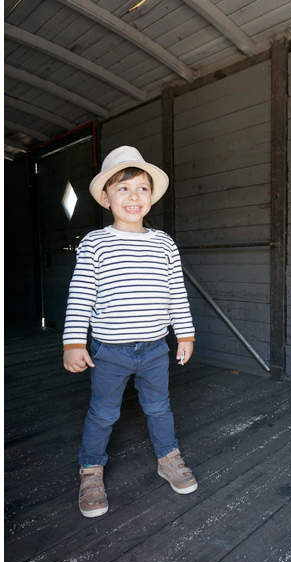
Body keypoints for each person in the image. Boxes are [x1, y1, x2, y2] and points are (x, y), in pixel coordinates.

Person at [62, 145, 197, 519]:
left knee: (158, 407)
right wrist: (73, 342)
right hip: (109, 351)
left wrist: (185, 335)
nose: (133, 196)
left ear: (151, 198)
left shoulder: (164, 245)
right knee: (104, 413)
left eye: (141, 189)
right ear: (106, 197)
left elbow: (176, 295)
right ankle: (90, 469)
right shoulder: (95, 244)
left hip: (155, 348)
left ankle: (167, 458)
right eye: (123, 189)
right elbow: (81, 297)